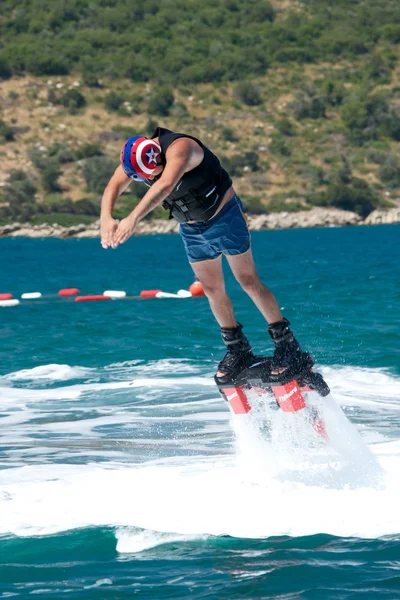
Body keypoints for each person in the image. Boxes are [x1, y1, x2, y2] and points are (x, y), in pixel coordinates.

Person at [100, 127, 303, 383]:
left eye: (145, 176)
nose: (144, 181)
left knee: (247, 281)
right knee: (210, 287)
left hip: (225, 217)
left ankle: (288, 347)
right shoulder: (138, 154)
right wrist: (106, 217)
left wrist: (132, 218)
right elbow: (113, 186)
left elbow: (164, 185)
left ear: (157, 158)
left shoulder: (181, 149)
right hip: (192, 228)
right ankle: (238, 349)